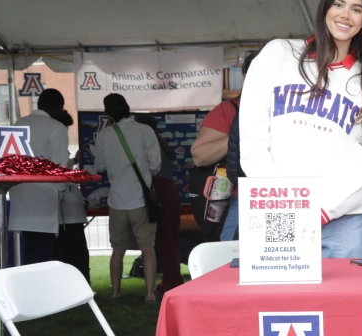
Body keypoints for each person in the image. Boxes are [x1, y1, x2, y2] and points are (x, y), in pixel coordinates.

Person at [240, 0, 362, 259]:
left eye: (356, 9)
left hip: (345, 219)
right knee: (284, 300)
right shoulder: (278, 54)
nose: (345, 14)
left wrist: (326, 209)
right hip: (281, 210)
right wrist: (283, 202)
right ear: (325, 8)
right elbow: (253, 137)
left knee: (344, 303)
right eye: (339, 4)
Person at [90, 94, 161, 302]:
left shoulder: (104, 136)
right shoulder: (145, 131)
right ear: (129, 108)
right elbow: (156, 166)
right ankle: (149, 295)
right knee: (148, 249)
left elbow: (100, 167)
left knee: (117, 250)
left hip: (117, 201)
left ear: (108, 114)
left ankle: (115, 293)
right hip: (142, 200)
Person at [191, 50, 256, 241]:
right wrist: (240, 134)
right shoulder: (230, 110)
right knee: (232, 258)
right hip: (243, 196)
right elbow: (199, 156)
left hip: (289, 195)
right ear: (246, 75)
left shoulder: (295, 106)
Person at [9, 88, 70, 265]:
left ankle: (28, 291)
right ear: (59, 108)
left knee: (30, 252)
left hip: (19, 196)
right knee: (44, 255)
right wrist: (60, 194)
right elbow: (59, 167)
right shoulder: (57, 128)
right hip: (45, 198)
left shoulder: (17, 125)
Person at [137, 114, 183, 294]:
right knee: (169, 238)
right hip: (168, 189)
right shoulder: (158, 141)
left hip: (159, 190)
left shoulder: (147, 143)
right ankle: (171, 280)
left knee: (164, 240)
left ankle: (172, 283)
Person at [48, 108, 90, 283]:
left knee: (68, 252)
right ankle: (78, 285)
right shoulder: (57, 141)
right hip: (66, 209)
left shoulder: (52, 142)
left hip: (64, 210)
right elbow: (62, 167)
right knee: (76, 252)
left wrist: (73, 161)